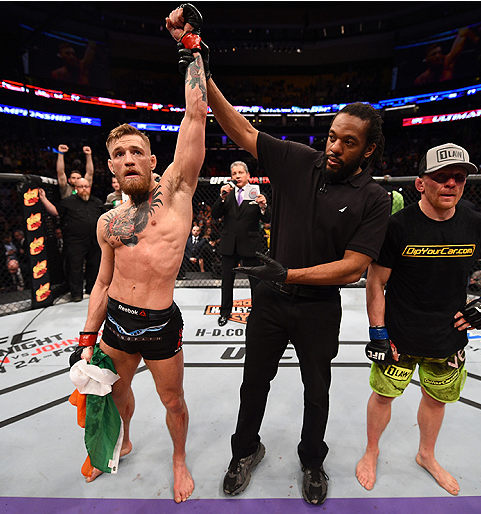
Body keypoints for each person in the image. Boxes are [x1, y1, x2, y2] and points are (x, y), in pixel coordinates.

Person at [202, 36, 390, 502]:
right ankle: (245, 450)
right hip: (270, 301)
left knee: (316, 389)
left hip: (317, 306)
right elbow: (242, 132)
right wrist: (203, 79)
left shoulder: (374, 198)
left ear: (367, 151)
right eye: (332, 136)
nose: (334, 147)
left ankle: (312, 461)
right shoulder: (297, 160)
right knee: (254, 382)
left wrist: (288, 275)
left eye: (348, 143)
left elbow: (352, 269)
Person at [69, 6, 207, 502]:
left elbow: (195, 115)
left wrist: (189, 50)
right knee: (115, 393)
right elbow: (102, 283)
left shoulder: (177, 191)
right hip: (117, 324)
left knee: (173, 400)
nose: (129, 159)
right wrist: (87, 335)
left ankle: (178, 459)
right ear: (111, 167)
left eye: (137, 151)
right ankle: (123, 440)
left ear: (153, 158)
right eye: (120, 155)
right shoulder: (108, 223)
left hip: (160, 321)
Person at [355, 143, 481, 496]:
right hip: (400, 336)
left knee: (437, 399)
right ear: (420, 183)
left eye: (458, 178)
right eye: (441, 177)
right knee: (383, 395)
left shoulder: (476, 223)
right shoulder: (398, 227)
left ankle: (426, 455)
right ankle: (371, 451)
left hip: (448, 337)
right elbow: (376, 281)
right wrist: (378, 332)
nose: (450, 184)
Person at [211, 160, 271, 325]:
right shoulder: (227, 194)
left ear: (248, 175)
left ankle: (259, 313)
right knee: (227, 282)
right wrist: (221, 198)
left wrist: (263, 206)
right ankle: (225, 312)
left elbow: (267, 218)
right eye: (234, 174)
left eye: (240, 173)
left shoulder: (256, 193)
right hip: (229, 244)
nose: (237, 176)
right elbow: (215, 215)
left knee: (255, 282)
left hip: (250, 245)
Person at [39, 177, 105, 301]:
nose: (84, 189)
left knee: (94, 265)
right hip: (75, 241)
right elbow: (55, 211)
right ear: (76, 188)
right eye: (81, 187)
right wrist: (43, 199)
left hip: (94, 240)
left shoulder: (96, 202)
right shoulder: (68, 201)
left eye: (86, 186)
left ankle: (92, 289)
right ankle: (76, 294)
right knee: (75, 267)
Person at [414, 26, 478, 85]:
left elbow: (463, 34)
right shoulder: (421, 79)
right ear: (427, 59)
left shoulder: (447, 63)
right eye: (434, 54)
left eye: (439, 52)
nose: (438, 56)